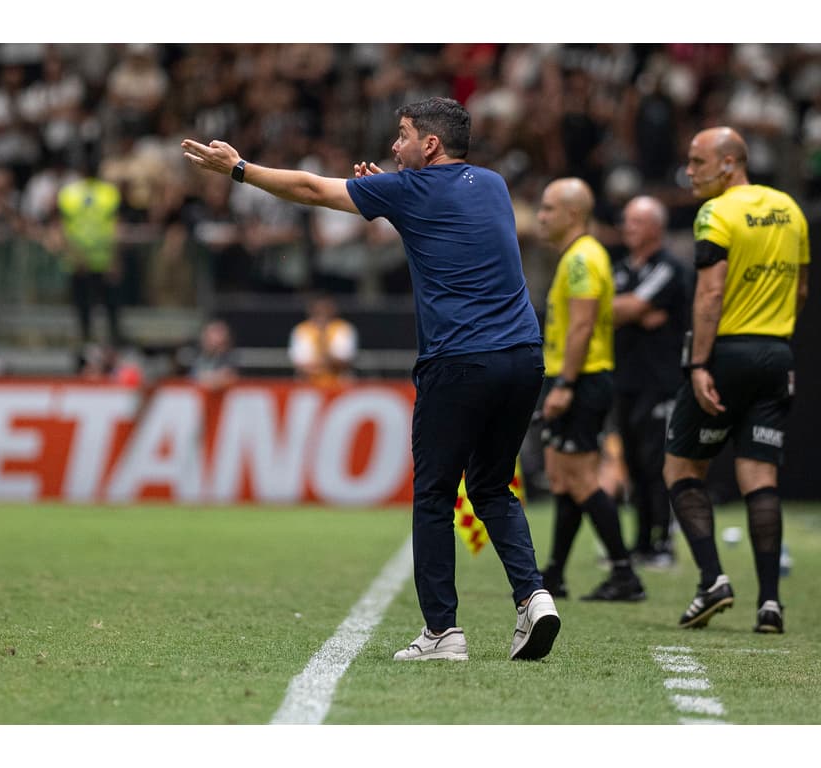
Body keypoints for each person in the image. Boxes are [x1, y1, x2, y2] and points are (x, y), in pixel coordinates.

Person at [182, 96, 560, 662]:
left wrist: (239, 169)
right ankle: (533, 597)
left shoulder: (405, 192)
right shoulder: (494, 184)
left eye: (403, 135)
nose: (393, 145)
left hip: (458, 360)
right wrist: (389, 191)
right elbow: (437, 215)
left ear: (429, 144)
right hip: (524, 356)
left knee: (434, 494)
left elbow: (312, 190)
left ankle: (442, 633)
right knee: (490, 485)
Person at [663, 126, 810, 634]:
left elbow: (710, 294)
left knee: (681, 469)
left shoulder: (717, 212)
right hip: (777, 352)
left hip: (726, 353)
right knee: (760, 477)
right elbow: (802, 289)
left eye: (698, 161)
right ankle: (770, 604)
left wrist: (700, 364)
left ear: (729, 163)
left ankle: (712, 581)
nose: (690, 171)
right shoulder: (790, 210)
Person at [534, 177, 646, 603]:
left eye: (547, 209)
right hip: (575, 377)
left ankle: (624, 573)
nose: (541, 217)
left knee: (581, 480)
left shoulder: (581, 258)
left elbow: (582, 325)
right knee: (563, 479)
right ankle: (556, 574)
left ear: (573, 214)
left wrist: (565, 383)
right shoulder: (578, 256)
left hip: (580, 379)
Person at [611, 195, 690, 568]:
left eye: (636, 222)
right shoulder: (622, 268)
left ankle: (663, 542)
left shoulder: (669, 268)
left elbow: (626, 308)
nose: (628, 227)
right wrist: (629, 310)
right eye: (627, 221)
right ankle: (641, 541)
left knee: (657, 462)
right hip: (626, 380)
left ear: (657, 228)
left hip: (661, 382)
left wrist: (628, 309)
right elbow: (606, 309)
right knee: (632, 462)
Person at [55, 153, 123, 351]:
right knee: (93, 305)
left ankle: (104, 342)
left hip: (86, 260)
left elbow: (62, 228)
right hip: (96, 259)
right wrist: (115, 258)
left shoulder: (69, 193)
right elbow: (116, 228)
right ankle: (96, 342)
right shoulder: (108, 192)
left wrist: (73, 254)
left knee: (95, 306)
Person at [288, 293, 359, 386]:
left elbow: (345, 360)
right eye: (319, 308)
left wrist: (323, 339)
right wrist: (326, 365)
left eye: (326, 307)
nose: (322, 311)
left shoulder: (344, 328)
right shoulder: (301, 330)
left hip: (339, 384)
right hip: (308, 384)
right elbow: (300, 363)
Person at [190, 318, 238, 392]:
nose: (219, 337)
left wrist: (214, 379)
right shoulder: (197, 358)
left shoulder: (232, 358)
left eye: (220, 332)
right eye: (213, 332)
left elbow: (229, 377)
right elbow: (194, 378)